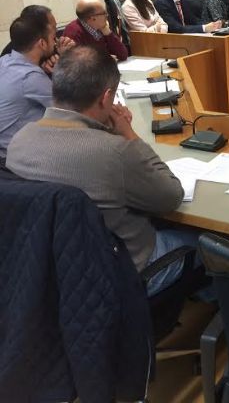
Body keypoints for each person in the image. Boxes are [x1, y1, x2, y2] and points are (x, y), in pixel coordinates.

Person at [6, 45, 197, 296]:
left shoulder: (18, 142)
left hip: (53, 274)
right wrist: (128, 134)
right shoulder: (115, 152)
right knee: (208, 244)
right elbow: (171, 196)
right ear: (106, 98)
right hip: (123, 274)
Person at [0, 14, 57, 160]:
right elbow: (68, 109)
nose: (55, 42)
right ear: (42, 43)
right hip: (14, 157)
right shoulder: (30, 77)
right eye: (53, 38)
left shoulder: (4, 60)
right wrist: (60, 71)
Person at [62, 0, 128, 61]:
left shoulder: (101, 27)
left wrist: (108, 33)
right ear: (93, 18)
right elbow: (75, 64)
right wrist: (104, 60)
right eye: (104, 13)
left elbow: (123, 55)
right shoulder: (73, 33)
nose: (107, 15)